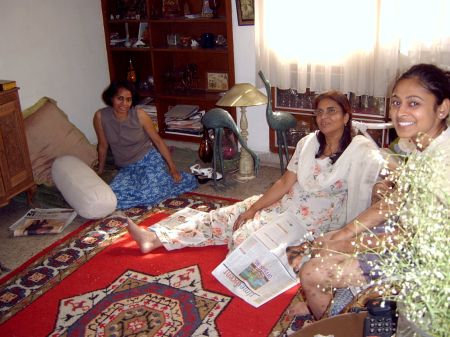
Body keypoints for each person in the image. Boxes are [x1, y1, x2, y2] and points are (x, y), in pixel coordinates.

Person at [127, 90, 384, 255]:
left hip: (310, 223)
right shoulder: (308, 144)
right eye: (319, 112)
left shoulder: (359, 151)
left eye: (332, 111)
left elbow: (380, 170)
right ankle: (156, 238)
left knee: (242, 241)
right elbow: (285, 181)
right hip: (284, 206)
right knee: (230, 215)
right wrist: (253, 208)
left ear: (346, 116)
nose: (324, 117)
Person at [292, 63, 450, 321]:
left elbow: (406, 239)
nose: (400, 112)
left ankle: (332, 322)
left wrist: (343, 244)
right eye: (396, 102)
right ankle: (330, 308)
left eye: (414, 103)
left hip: (425, 262)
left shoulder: (442, 166)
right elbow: (393, 203)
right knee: (324, 240)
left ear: (442, 108)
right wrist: (340, 235)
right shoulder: (424, 145)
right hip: (405, 235)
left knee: (312, 271)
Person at [93, 80, 198, 209]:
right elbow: (103, 145)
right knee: (114, 198)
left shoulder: (139, 114)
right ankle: (160, 184)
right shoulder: (100, 116)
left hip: (148, 160)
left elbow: (158, 141)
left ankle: (176, 179)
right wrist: (101, 170)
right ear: (111, 98)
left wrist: (172, 168)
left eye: (128, 99)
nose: (124, 104)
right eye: (120, 98)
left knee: (151, 195)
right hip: (126, 167)